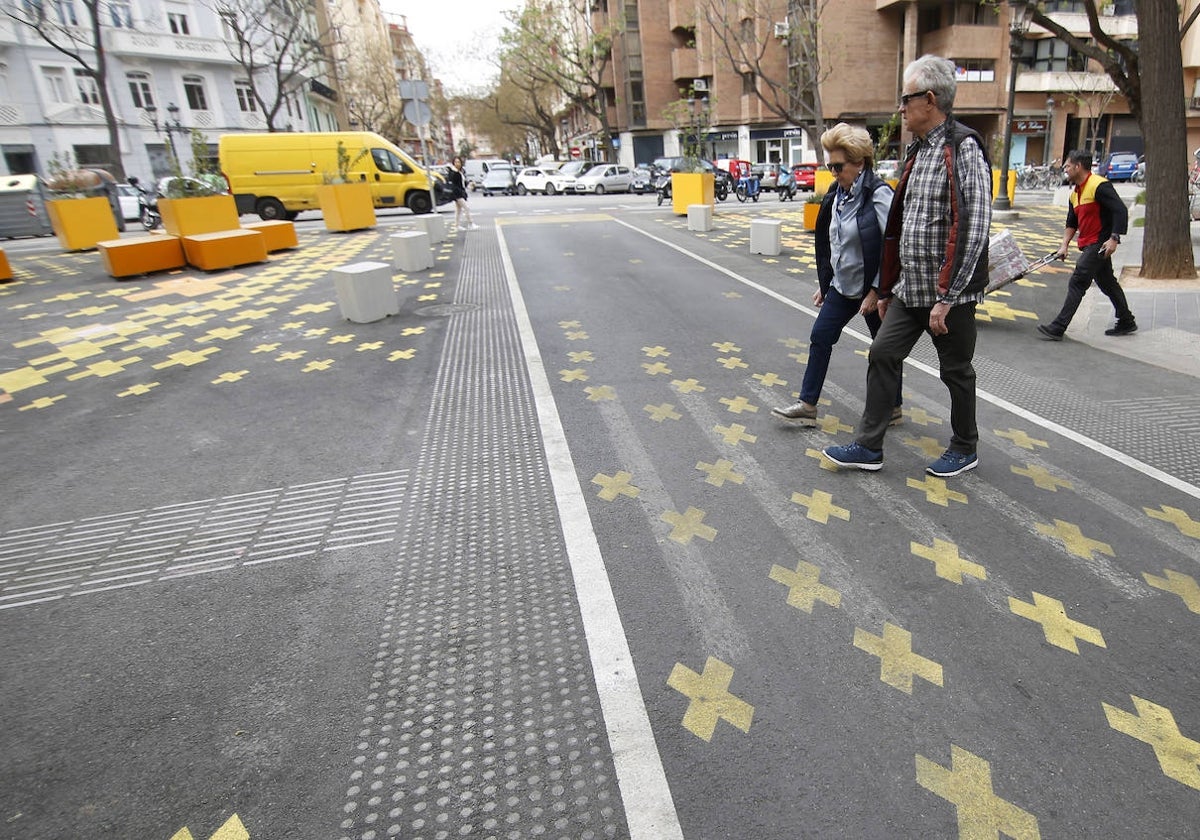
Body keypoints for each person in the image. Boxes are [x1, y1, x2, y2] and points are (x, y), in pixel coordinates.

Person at [823, 54, 991, 478]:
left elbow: (973, 227)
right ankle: (868, 446)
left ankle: (965, 445)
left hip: (948, 295)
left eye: (906, 99)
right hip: (909, 289)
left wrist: (949, 297)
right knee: (882, 352)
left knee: (955, 370)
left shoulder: (962, 147)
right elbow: (898, 227)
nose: (900, 108)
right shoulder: (918, 152)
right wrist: (884, 287)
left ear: (929, 100)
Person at [773, 123, 900, 426]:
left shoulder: (879, 195)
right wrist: (825, 282)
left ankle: (893, 406)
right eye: (830, 166)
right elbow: (833, 242)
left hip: (872, 289)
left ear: (860, 162)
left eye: (839, 166)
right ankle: (807, 403)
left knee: (883, 351)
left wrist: (876, 291)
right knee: (820, 337)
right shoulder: (838, 193)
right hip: (842, 288)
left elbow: (892, 247)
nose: (834, 173)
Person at [1036, 149, 1134, 340]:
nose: (1065, 168)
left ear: (1078, 166)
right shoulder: (1075, 193)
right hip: (1089, 242)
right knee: (1107, 283)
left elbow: (1120, 210)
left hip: (1099, 242)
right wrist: (1064, 245)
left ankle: (1058, 327)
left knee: (1078, 279)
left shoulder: (1099, 185)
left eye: (1068, 165)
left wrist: (1114, 238)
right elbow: (1071, 222)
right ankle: (1126, 320)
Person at [447, 157, 479, 231]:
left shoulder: (460, 172)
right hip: (457, 194)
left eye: (459, 162)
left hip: (459, 193)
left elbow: (462, 183)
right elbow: (454, 184)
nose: (457, 164)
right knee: (466, 208)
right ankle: (470, 223)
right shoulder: (453, 172)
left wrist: (469, 184)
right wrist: (460, 192)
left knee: (458, 210)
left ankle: (457, 225)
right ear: (453, 163)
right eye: (456, 162)